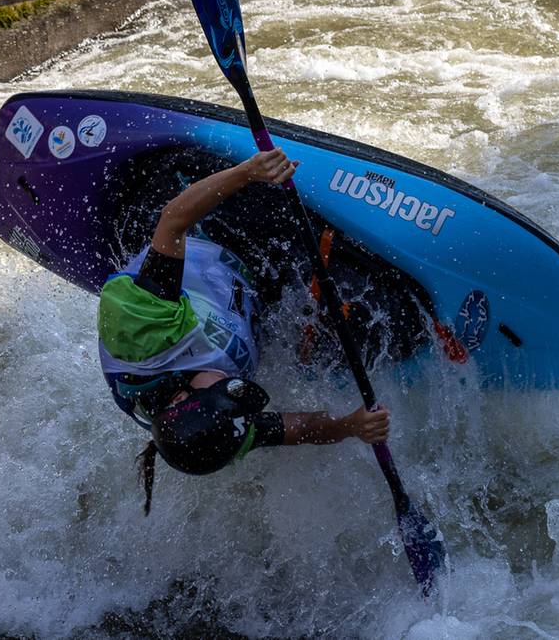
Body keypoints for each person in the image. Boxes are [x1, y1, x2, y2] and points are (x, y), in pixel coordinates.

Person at [97, 147, 392, 513]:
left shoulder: (144, 337)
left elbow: (173, 219)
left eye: (222, 389)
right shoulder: (221, 423)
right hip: (242, 279)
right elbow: (296, 430)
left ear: (178, 397)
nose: (230, 387)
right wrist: (351, 427)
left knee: (291, 218)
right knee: (371, 320)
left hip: (193, 222)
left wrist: (248, 172)